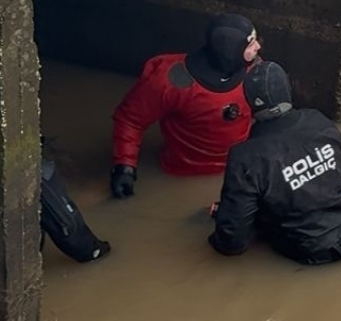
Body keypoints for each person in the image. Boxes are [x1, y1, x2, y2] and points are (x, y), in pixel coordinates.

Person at [208, 61, 341, 265]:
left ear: (249, 103)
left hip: (307, 251)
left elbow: (231, 243)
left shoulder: (245, 157)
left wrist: (221, 220)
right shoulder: (320, 122)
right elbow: (327, 181)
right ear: (287, 89)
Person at [110, 13, 263, 198]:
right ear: (231, 50)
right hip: (184, 173)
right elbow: (131, 120)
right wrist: (125, 168)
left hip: (238, 167)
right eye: (251, 42)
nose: (258, 47)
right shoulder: (170, 80)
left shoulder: (255, 70)